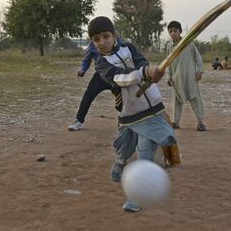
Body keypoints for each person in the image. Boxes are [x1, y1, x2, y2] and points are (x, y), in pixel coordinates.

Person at [89, 16, 177, 212]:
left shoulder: (129, 47)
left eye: (105, 36)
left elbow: (141, 62)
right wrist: (144, 73)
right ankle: (120, 161)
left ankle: (135, 196)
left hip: (152, 105)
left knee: (145, 146)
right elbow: (120, 77)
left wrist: (150, 70)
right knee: (126, 144)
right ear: (93, 43)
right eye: (96, 39)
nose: (102, 42)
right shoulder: (101, 64)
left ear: (114, 35)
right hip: (130, 110)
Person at [67, 38, 121, 131]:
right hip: (100, 76)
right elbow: (87, 59)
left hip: (116, 75)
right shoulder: (93, 44)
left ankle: (123, 124)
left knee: (123, 100)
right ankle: (79, 121)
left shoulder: (118, 41)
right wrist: (82, 70)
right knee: (87, 96)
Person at [166, 21, 206, 131]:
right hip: (177, 78)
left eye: (175, 31)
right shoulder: (169, 46)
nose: (173, 33)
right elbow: (168, 62)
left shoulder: (188, 43)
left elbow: (197, 57)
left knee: (195, 99)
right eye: (171, 31)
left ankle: (200, 122)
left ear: (180, 31)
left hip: (190, 77)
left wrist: (200, 71)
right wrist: (168, 76)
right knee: (176, 100)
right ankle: (176, 122)